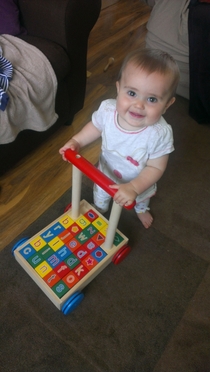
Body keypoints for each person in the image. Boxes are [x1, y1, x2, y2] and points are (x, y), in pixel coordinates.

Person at [59, 48, 180, 228]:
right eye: (131, 93)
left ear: (167, 104)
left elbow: (156, 167)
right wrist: (77, 141)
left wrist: (134, 187)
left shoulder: (159, 134)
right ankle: (100, 209)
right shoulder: (108, 110)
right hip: (106, 171)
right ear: (118, 89)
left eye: (152, 99)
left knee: (139, 200)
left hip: (137, 181)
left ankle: (141, 210)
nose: (138, 105)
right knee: (100, 194)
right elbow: (95, 127)